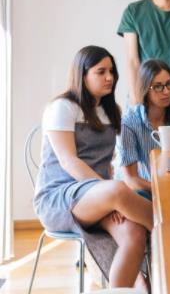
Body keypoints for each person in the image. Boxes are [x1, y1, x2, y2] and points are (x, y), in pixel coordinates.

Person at [34, 46, 152, 289]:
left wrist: (108, 195)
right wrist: (109, 193)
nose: (110, 77)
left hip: (97, 197)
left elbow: (107, 164)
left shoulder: (111, 111)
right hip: (59, 197)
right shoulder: (63, 107)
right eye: (101, 72)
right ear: (83, 74)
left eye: (112, 71)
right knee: (119, 190)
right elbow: (69, 161)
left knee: (134, 235)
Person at [115, 59, 170, 198]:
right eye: (158, 86)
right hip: (140, 191)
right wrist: (162, 189)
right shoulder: (128, 122)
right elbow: (131, 180)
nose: (166, 91)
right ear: (145, 89)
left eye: (169, 84)